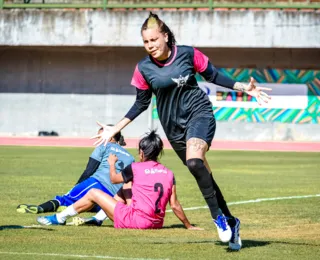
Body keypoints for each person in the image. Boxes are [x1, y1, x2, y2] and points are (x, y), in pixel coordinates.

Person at [90, 12, 272, 250]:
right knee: (203, 174)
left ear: (165, 36)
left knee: (195, 163)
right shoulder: (143, 68)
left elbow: (213, 75)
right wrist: (115, 127)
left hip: (199, 114)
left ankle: (218, 219)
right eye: (145, 42)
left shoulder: (187, 54)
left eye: (154, 40)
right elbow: (141, 103)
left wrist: (244, 89)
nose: (150, 45)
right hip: (173, 129)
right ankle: (231, 220)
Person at [37, 131, 202, 231]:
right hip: (156, 223)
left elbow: (113, 178)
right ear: (159, 152)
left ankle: (59, 218)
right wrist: (188, 225)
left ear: (141, 152)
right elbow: (174, 205)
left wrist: (111, 164)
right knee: (125, 187)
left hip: (136, 221)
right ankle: (98, 219)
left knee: (94, 193)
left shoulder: (136, 167)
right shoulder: (168, 173)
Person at [17, 127, 135, 226]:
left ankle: (40, 208)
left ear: (109, 137)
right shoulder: (131, 157)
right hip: (114, 195)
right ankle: (93, 216)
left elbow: (89, 169)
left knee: (65, 198)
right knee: (94, 204)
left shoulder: (104, 146)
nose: (99, 140)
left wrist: (77, 186)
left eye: (100, 137)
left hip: (97, 183)